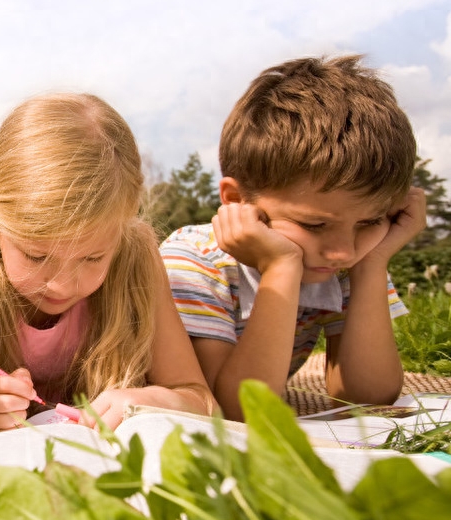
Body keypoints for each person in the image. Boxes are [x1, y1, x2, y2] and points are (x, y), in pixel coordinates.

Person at [0, 93, 213, 434]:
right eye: (36, 255)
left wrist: (157, 401)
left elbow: (202, 401)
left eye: (92, 258)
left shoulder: (137, 256)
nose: (61, 285)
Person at [160, 55, 423, 420]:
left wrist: (372, 265)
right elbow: (233, 412)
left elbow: (367, 397)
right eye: (314, 225)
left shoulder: (349, 258)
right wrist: (281, 268)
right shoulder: (193, 262)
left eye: (369, 221)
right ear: (237, 201)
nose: (342, 251)